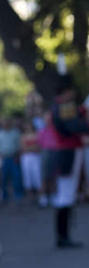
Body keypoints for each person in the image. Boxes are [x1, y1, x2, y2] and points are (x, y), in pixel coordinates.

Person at [50, 73, 89, 248]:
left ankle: (63, 235)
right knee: (66, 195)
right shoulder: (65, 106)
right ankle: (63, 236)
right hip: (69, 152)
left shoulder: (61, 105)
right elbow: (74, 127)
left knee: (66, 194)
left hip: (67, 151)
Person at [0, 117, 23, 203]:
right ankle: (4, 196)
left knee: (16, 177)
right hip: (3, 158)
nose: (5, 124)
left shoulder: (15, 133)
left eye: (7, 122)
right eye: (4, 122)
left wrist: (17, 156)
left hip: (13, 157)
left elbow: (19, 145)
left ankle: (18, 195)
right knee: (3, 178)